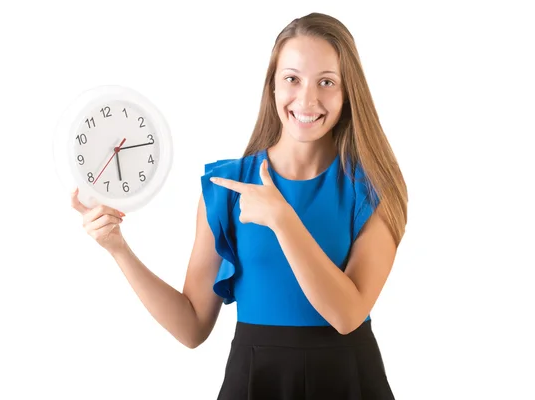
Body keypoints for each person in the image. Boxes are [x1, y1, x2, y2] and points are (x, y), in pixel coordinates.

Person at [71, 12, 407, 400]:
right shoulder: (226, 188)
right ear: (273, 87)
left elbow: (348, 316)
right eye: (292, 79)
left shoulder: (373, 188)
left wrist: (283, 219)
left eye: (327, 82)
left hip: (350, 380)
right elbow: (192, 327)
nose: (307, 99)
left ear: (349, 93)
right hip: (254, 381)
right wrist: (117, 247)